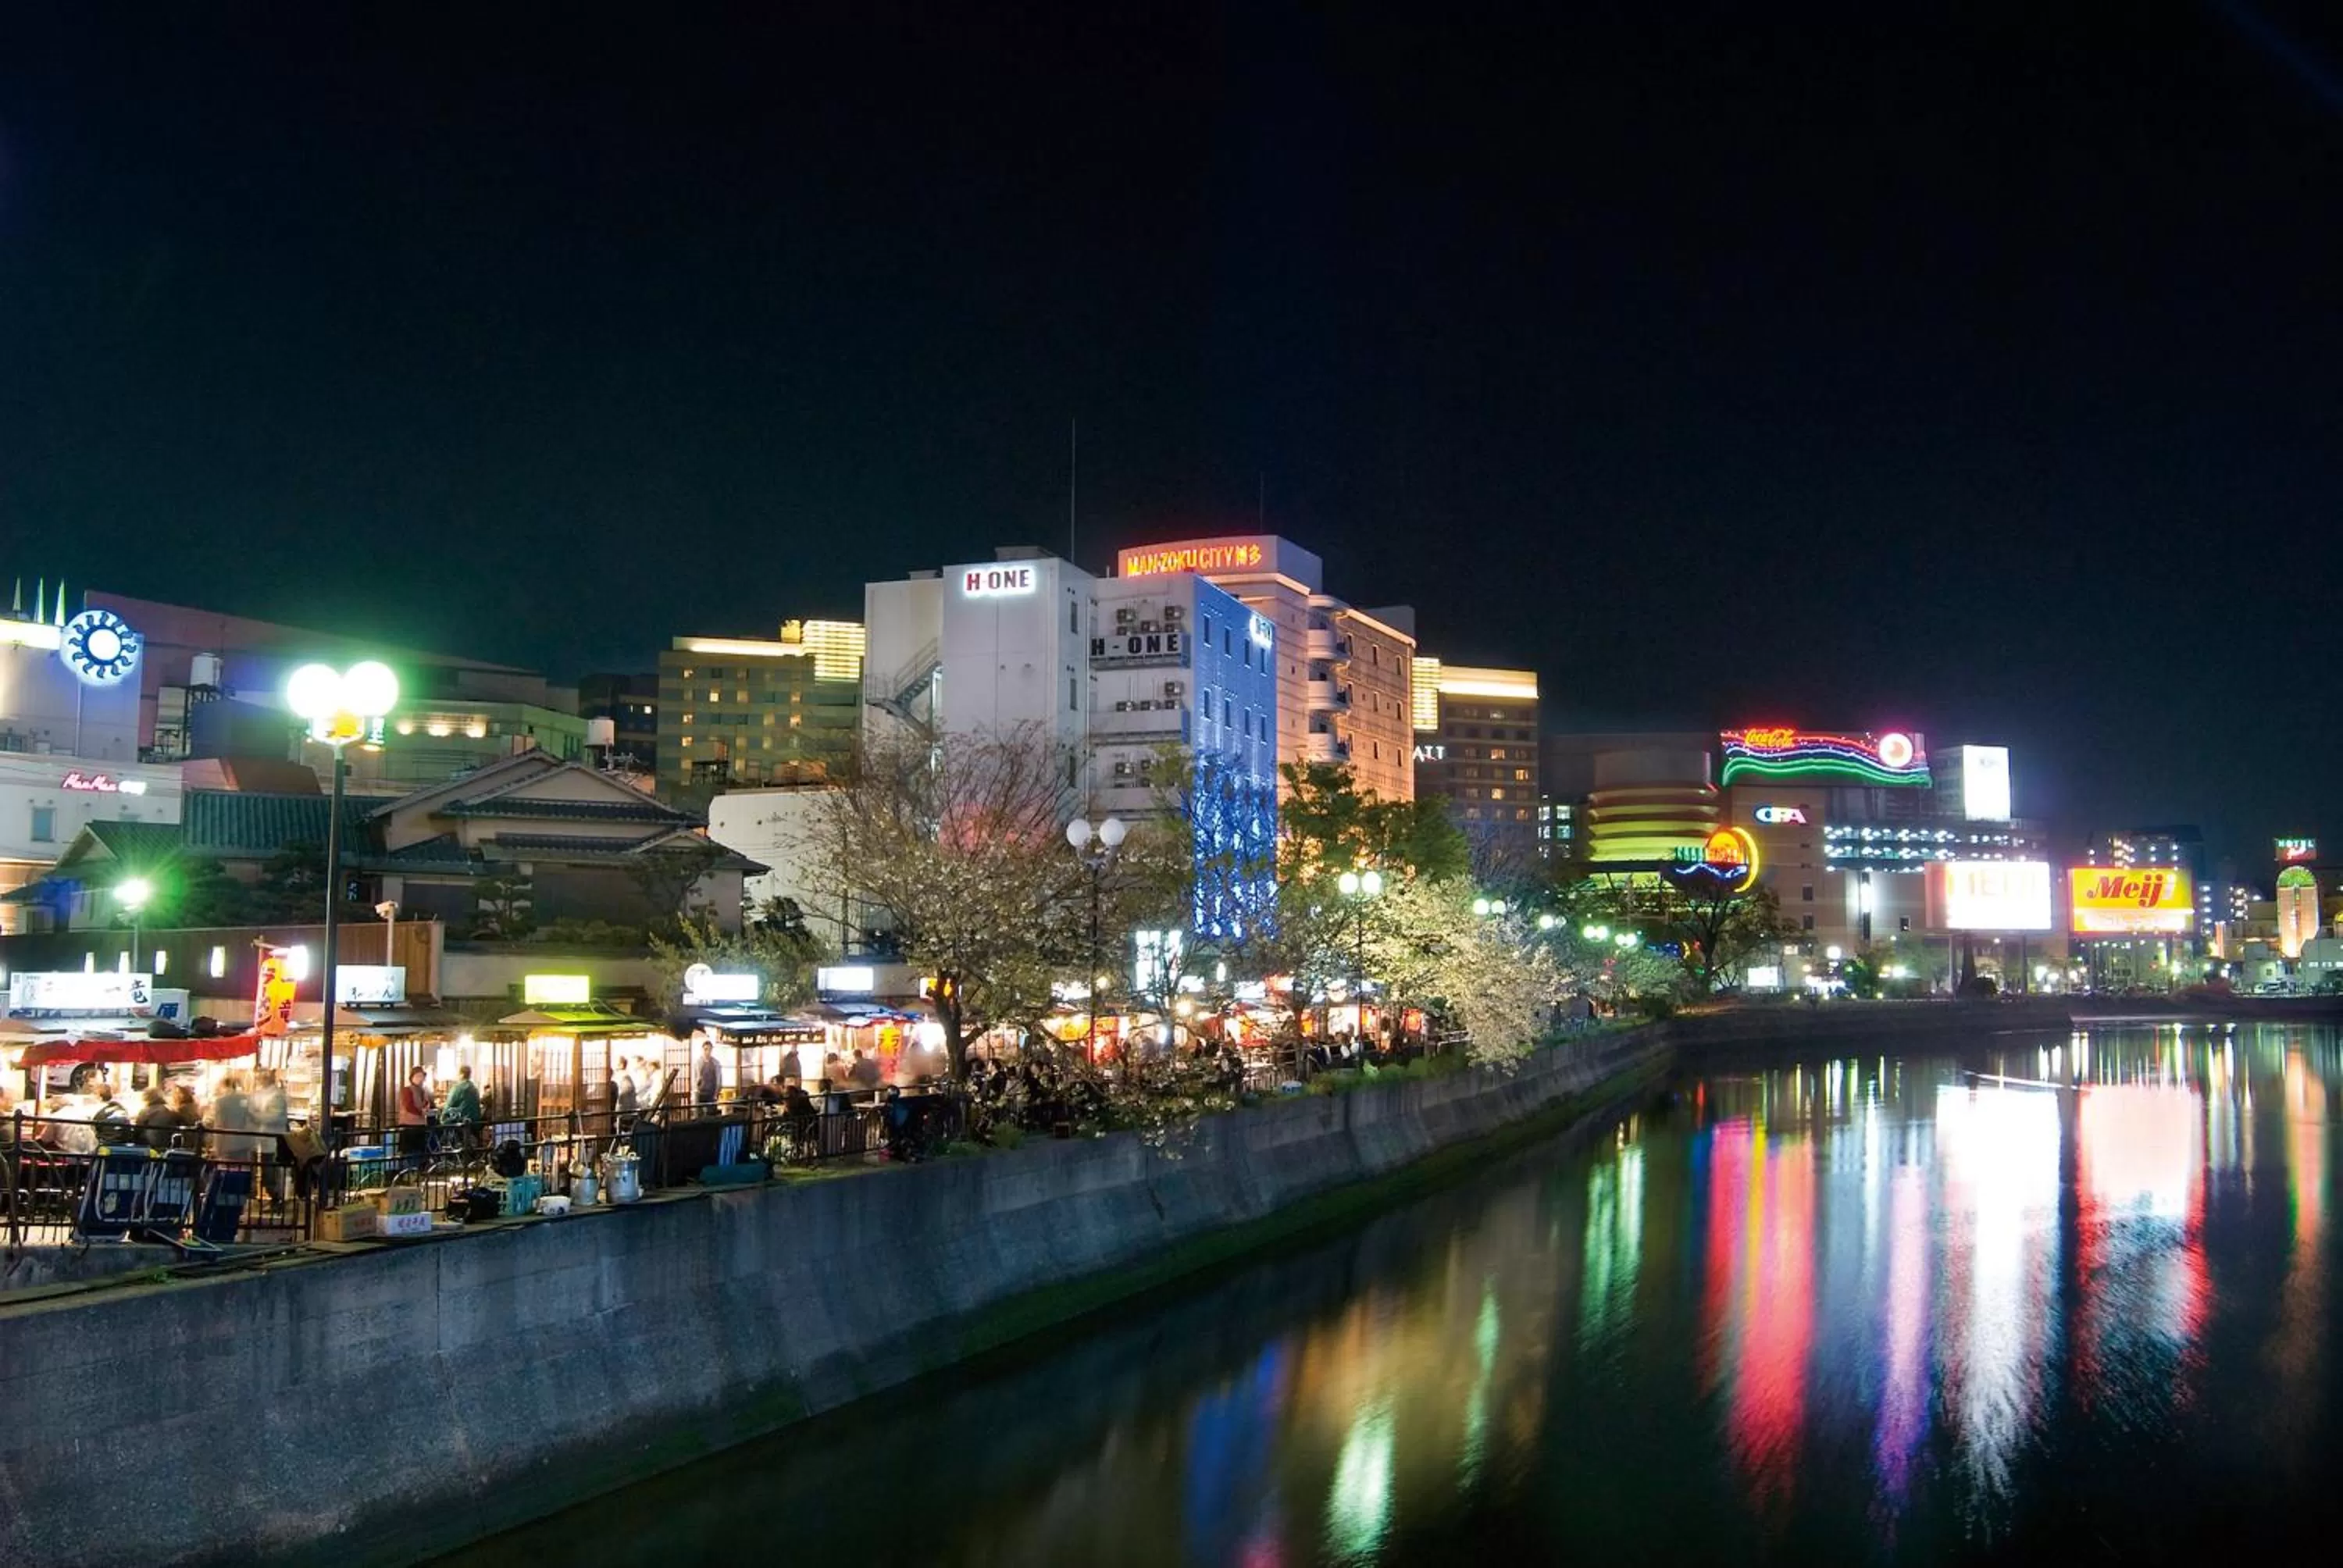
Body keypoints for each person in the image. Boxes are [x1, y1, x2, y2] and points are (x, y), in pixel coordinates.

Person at [209, 1074, 259, 1163]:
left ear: (223, 1086)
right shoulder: (247, 1099)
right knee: (244, 1169)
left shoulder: (221, 1102)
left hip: (228, 1143)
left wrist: (217, 1147)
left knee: (230, 1170)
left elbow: (219, 1125)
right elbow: (253, 1119)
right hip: (246, 1142)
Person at [395, 1067, 433, 1160]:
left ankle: (420, 1168)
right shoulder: (407, 1090)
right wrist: (421, 1112)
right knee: (408, 1150)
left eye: (422, 1076)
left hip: (421, 1123)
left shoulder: (423, 1090)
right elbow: (408, 1106)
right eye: (418, 1076)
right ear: (412, 1077)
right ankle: (407, 1170)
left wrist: (427, 1107)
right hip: (409, 1124)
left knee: (420, 1149)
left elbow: (427, 1103)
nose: (420, 1079)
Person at [442, 1064, 483, 1147]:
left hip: (461, 1120)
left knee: (442, 1124)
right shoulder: (474, 1088)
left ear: (461, 1075)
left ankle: (444, 1148)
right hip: (475, 1121)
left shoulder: (458, 1088)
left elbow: (449, 1104)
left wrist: (443, 1116)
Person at [134, 1085, 181, 1151]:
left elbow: (138, 1128)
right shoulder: (170, 1110)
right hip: (167, 1144)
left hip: (150, 1146)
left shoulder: (146, 1111)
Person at [695, 1039, 722, 1110]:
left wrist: (717, 1093)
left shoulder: (716, 1063)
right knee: (699, 1116)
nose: (707, 1052)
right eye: (705, 1049)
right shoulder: (698, 1063)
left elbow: (719, 1079)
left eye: (709, 1049)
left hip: (712, 1093)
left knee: (711, 1115)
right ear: (702, 1050)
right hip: (701, 1093)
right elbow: (695, 1079)